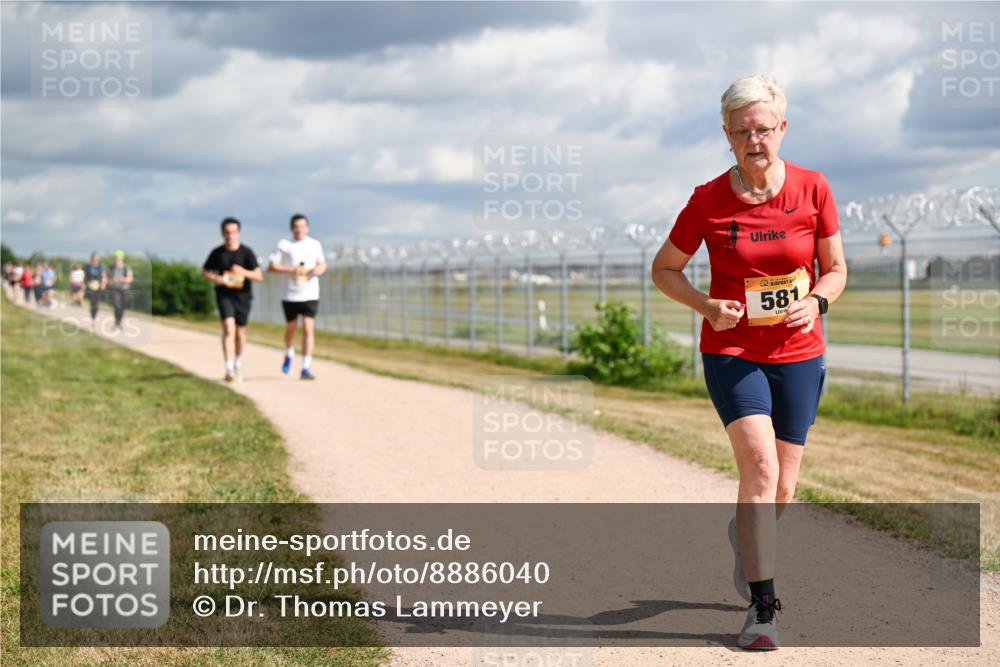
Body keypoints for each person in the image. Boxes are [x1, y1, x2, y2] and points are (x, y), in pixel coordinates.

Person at [651, 74, 847, 651]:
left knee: (783, 487)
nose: (754, 140)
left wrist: (814, 302)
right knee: (759, 471)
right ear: (727, 137)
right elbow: (665, 269)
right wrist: (707, 306)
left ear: (782, 129)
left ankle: (745, 535)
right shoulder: (708, 199)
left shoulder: (814, 188)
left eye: (763, 129)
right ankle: (763, 608)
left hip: (799, 353)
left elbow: (836, 269)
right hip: (733, 350)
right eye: (741, 132)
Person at [202, 217, 263, 382]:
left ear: (238, 233)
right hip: (224, 295)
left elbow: (258, 276)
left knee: (240, 332)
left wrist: (243, 272)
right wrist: (216, 278)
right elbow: (205, 271)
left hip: (243, 296)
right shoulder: (217, 253)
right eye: (227, 232)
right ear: (223, 233)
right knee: (229, 329)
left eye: (234, 232)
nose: (230, 235)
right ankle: (228, 367)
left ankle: (237, 362)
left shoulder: (247, 252)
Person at [268, 213, 326, 380]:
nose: (299, 230)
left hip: (310, 293)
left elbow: (322, 264)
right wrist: (291, 270)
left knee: (308, 328)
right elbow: (272, 266)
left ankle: (306, 366)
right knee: (292, 328)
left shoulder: (315, 245)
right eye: (296, 227)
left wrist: (317, 270)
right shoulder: (284, 245)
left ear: (307, 227)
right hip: (290, 294)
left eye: (302, 226)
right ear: (292, 228)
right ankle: (289, 352)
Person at [108, 250, 134, 330]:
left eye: (118, 258)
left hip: (124, 289)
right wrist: (111, 281)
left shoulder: (127, 267)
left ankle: (119, 322)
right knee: (117, 305)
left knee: (122, 306)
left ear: (122, 258)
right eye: (116, 258)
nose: (117, 259)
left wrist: (122, 279)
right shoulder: (111, 267)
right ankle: (116, 321)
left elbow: (130, 278)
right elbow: (106, 278)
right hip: (115, 289)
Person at [83, 252, 107, 326]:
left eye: (96, 258)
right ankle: (93, 319)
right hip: (90, 287)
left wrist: (103, 284)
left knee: (96, 303)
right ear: (91, 259)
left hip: (98, 288)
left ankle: (94, 317)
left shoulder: (101, 267)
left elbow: (104, 276)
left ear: (98, 259)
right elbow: (84, 277)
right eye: (93, 258)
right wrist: (83, 284)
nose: (95, 260)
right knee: (92, 302)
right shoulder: (87, 267)